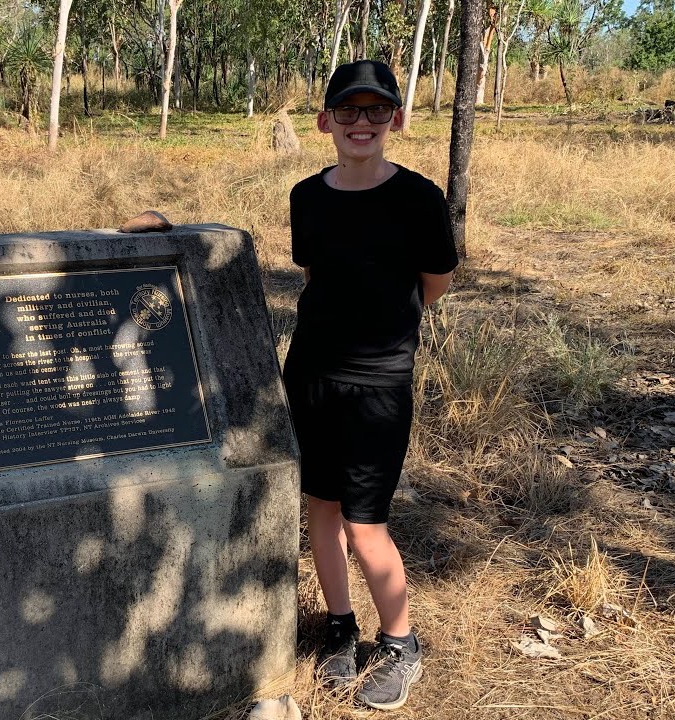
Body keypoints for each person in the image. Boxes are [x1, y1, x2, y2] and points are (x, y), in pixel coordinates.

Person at [282, 59, 459, 711]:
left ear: (397, 120)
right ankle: (338, 626)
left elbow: (433, 282)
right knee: (320, 511)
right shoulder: (308, 196)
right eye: (349, 110)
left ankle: (399, 643)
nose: (362, 122)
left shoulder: (418, 199)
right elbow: (314, 275)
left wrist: (387, 325)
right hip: (310, 376)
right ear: (325, 120)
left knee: (365, 525)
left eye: (377, 110)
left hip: (378, 384)